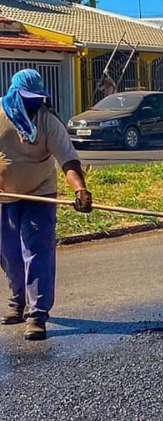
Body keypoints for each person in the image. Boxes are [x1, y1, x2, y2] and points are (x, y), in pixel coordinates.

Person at [0, 69, 93, 341]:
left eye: (37, 98)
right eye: (27, 98)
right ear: (15, 94)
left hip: (40, 194)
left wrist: (80, 189)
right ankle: (18, 301)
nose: (33, 103)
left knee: (36, 253)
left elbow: (69, 161)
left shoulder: (48, 122)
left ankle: (37, 315)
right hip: (4, 197)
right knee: (9, 254)